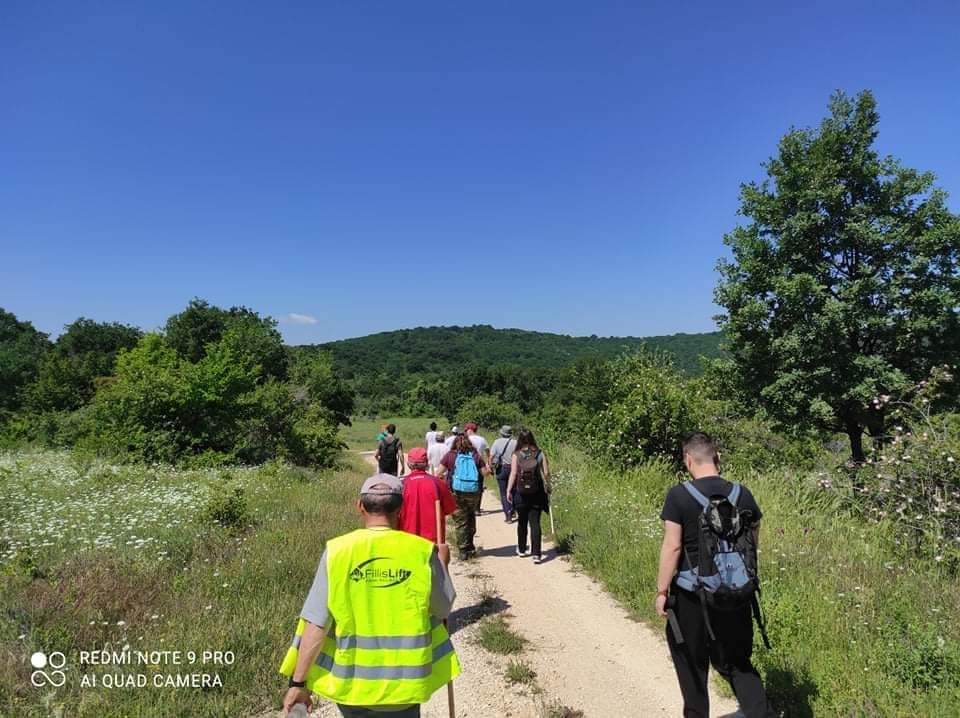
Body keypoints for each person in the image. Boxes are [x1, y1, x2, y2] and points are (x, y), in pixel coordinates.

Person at [280, 474, 460, 718]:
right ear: (401, 508)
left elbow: (316, 623)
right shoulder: (421, 551)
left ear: (360, 506)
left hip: (352, 686)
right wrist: (443, 563)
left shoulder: (337, 551)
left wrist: (298, 684)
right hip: (404, 687)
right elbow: (443, 607)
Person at [655, 432, 772, 718]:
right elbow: (753, 537)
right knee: (737, 662)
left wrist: (661, 592)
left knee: (692, 666)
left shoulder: (679, 495)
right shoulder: (742, 493)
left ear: (688, 459)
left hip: (692, 596)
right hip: (736, 592)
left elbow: (673, 546)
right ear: (717, 458)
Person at [437, 433, 488, 560]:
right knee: (471, 517)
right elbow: (485, 473)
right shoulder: (475, 455)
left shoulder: (450, 456)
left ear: (454, 443)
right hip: (473, 492)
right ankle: (470, 546)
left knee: (460, 521)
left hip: (455, 492)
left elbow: (439, 473)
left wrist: (445, 479)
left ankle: (463, 550)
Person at [505, 429, 551, 564]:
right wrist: (548, 486)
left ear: (519, 439)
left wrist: (508, 490)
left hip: (520, 492)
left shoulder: (516, 454)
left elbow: (513, 474)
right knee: (535, 523)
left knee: (522, 521)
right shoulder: (540, 453)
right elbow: (546, 473)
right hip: (537, 492)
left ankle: (522, 549)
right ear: (532, 438)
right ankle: (536, 554)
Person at [399, 447, 457, 547]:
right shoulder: (437, 483)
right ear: (426, 464)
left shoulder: (401, 485)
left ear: (409, 464)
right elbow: (450, 508)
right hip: (433, 540)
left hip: (407, 539)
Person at [489, 426, 518, 522]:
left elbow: (491, 456)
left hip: (501, 468)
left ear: (501, 433)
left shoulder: (497, 442)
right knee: (513, 491)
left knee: (503, 493)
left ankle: (508, 515)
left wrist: (490, 467)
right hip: (513, 469)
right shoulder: (515, 442)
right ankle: (513, 509)